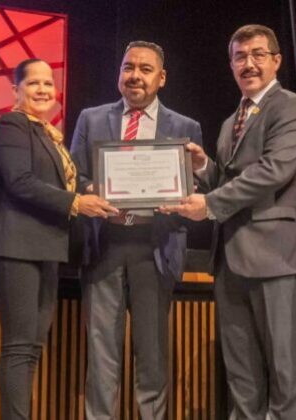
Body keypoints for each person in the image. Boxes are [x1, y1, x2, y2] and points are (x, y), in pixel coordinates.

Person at [162, 24, 296, 418]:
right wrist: (204, 167)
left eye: (257, 54)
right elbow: (231, 179)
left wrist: (210, 204)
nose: (248, 64)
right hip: (230, 257)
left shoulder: (293, 107)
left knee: (283, 370)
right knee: (241, 372)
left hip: (277, 255)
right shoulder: (230, 121)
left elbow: (273, 171)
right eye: (239, 57)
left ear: (276, 61)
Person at [70, 41, 202, 419]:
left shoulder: (186, 127)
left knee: (152, 353)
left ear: (162, 78)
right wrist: (94, 188)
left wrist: (181, 194)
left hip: (155, 247)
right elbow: (73, 175)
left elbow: (198, 188)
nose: (135, 76)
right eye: (128, 67)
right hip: (104, 244)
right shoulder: (91, 118)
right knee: (101, 353)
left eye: (145, 69)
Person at [0, 58, 116, 420]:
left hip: (47, 248)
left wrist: (94, 192)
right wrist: (76, 202)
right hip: (16, 248)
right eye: (33, 83)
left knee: (32, 346)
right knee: (19, 346)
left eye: (47, 83)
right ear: (16, 90)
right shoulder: (12, 124)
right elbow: (19, 182)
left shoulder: (48, 133)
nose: (42, 89)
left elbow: (59, 184)